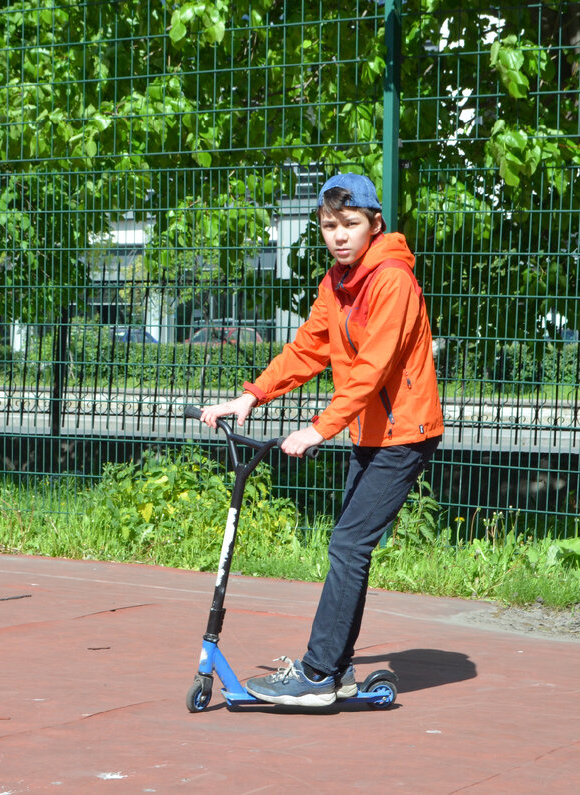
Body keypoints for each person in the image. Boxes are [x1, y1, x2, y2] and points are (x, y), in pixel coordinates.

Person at [197, 172, 444, 707]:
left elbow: (372, 368)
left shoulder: (393, 280)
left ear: (374, 224)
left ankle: (316, 674)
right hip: (371, 432)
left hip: (405, 434)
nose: (339, 235)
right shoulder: (337, 282)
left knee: (348, 545)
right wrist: (252, 396)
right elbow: (308, 347)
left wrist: (317, 428)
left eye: (350, 224)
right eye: (329, 225)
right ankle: (334, 667)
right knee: (350, 548)